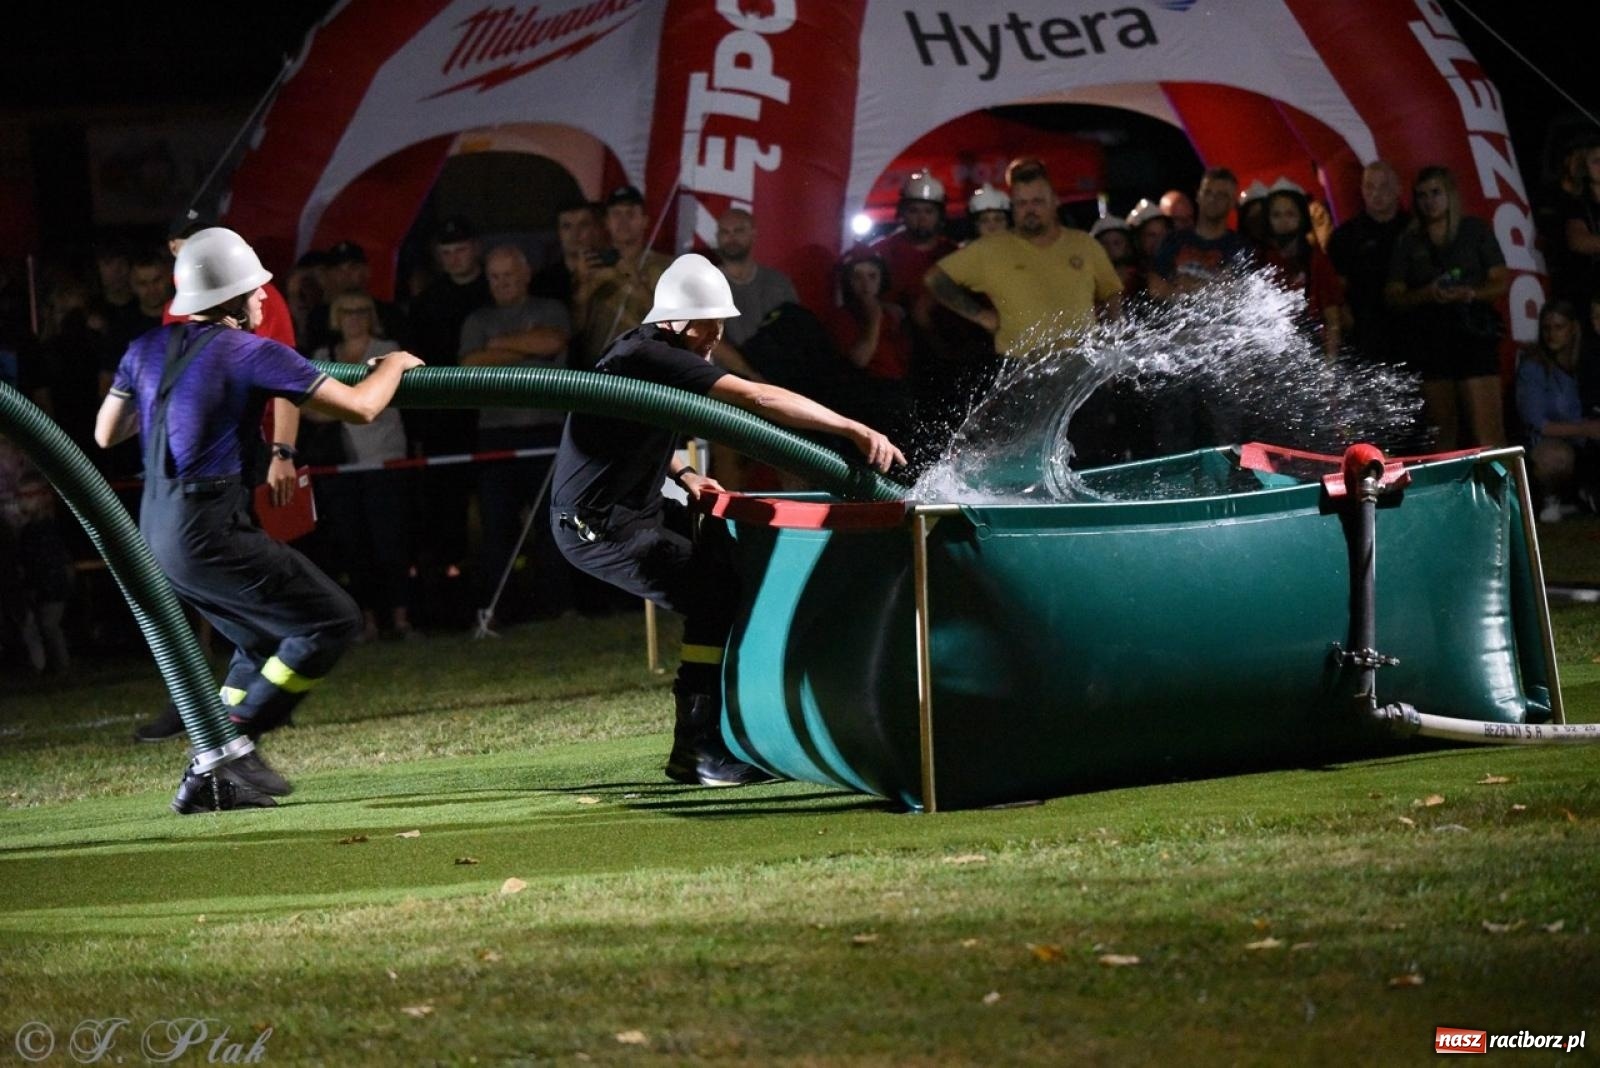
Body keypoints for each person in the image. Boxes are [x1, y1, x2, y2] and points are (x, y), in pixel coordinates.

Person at [93, 228, 425, 806]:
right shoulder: (252, 351)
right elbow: (364, 408)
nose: (266, 298)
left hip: (152, 528)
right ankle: (228, 749)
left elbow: (106, 433)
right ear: (233, 298)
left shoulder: (144, 347)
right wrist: (393, 363)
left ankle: (213, 766)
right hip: (207, 526)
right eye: (257, 288)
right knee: (330, 622)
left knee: (257, 644)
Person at [550, 253, 904, 786]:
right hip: (595, 523)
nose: (716, 337)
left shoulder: (647, 350)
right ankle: (695, 749)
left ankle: (738, 726)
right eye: (708, 325)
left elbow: (633, 431)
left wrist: (687, 474)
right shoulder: (650, 357)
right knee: (713, 593)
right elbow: (756, 396)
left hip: (634, 506)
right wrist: (852, 428)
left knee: (732, 555)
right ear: (675, 320)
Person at [460, 245, 574, 627]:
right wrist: (525, 349)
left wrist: (497, 346)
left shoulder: (550, 309)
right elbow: (470, 365)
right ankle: (500, 614)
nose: (502, 283)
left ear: (525, 274)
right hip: (496, 434)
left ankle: (560, 607)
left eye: (509, 275)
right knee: (497, 527)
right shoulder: (477, 319)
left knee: (554, 523)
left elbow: (554, 342)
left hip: (547, 430)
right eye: (494, 276)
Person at [925, 158, 1123, 359]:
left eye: (1037, 202)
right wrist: (982, 316)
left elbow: (1111, 294)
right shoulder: (990, 249)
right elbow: (935, 279)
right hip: (1023, 368)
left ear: (1054, 201)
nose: (1030, 210)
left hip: (1082, 364)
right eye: (1021, 203)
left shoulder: (1084, 244)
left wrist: (1111, 348)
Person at [307, 291, 419, 640]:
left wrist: (340, 405)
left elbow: (379, 402)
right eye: (346, 311)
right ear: (336, 318)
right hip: (341, 463)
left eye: (361, 311)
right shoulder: (323, 357)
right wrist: (348, 405)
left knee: (391, 543)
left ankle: (401, 618)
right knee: (353, 546)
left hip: (384, 458)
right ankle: (367, 621)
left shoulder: (391, 352)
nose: (354, 317)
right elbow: (305, 408)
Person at [1385, 165, 1509, 449]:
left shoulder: (1473, 230)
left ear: (1450, 194)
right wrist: (1427, 294)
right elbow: (1393, 296)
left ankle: (1506, 492)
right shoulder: (1409, 240)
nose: (1429, 201)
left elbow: (1501, 280)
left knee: (1488, 433)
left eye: (1435, 193)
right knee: (1442, 438)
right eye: (1422, 195)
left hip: (1473, 334)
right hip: (1431, 339)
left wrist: (1470, 293)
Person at [1514, 300, 1600, 520]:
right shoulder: (1533, 368)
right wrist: (1584, 429)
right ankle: (1552, 500)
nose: (1551, 334)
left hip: (1586, 443)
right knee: (1555, 457)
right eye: (1546, 328)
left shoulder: (1585, 363)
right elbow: (1536, 423)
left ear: (1573, 328)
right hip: (1551, 443)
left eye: (1558, 327)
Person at [572, 185, 672, 367]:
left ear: (645, 221)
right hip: (599, 369)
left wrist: (631, 277)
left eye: (631, 214)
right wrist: (584, 286)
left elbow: (671, 323)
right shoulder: (591, 263)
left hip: (646, 368)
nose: (623, 221)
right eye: (616, 214)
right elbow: (575, 328)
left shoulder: (667, 267)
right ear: (607, 222)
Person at [1328, 161, 1410, 366]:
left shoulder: (1414, 230)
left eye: (1384, 186)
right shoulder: (1345, 236)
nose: (1376, 193)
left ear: (1398, 189)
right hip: (1367, 331)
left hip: (1413, 327)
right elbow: (1336, 287)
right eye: (1370, 186)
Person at [1258, 180, 1345, 358]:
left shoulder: (1316, 260)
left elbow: (1332, 318)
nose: (1283, 221)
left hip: (1312, 351)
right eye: (1276, 215)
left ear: (1302, 218)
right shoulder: (1263, 259)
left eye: (1290, 214)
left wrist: (1330, 368)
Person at [1147, 168, 1253, 300]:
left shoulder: (1240, 247)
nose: (1213, 199)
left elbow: (1235, 293)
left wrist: (1184, 289)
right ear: (1198, 195)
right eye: (1208, 192)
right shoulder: (1173, 239)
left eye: (1221, 195)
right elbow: (1155, 287)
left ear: (1232, 202)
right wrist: (1206, 289)